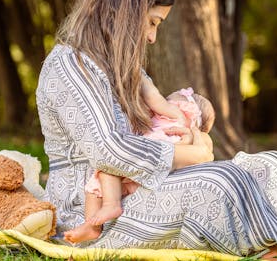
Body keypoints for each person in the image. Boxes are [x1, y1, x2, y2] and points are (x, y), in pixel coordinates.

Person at [36, 0, 277, 261]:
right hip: (92, 210)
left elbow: (161, 127)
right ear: (125, 11)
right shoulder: (69, 65)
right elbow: (108, 151)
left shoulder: (127, 71)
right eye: (152, 22)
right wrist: (195, 154)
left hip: (142, 187)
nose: (153, 37)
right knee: (219, 183)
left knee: (275, 167)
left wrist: (196, 139)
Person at [64, 85, 216, 243]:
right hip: (150, 174)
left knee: (106, 170)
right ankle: (92, 226)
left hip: (148, 159)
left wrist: (144, 85)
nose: (166, 100)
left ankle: (110, 205)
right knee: (102, 176)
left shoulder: (177, 115)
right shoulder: (182, 130)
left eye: (173, 97)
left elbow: (154, 99)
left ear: (186, 107)